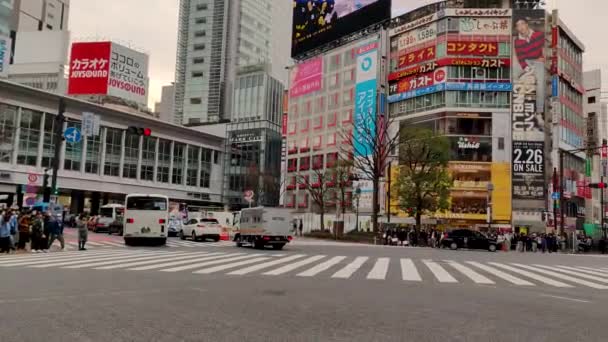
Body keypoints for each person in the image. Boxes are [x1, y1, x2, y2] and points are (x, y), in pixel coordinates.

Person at [514, 17, 545, 113]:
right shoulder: (517, 41)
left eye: (522, 24)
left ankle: (539, 109)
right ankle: (517, 101)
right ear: (517, 29)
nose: (521, 27)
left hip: (539, 61)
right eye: (518, 25)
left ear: (527, 24)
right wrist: (526, 68)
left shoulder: (539, 35)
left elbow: (547, 48)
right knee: (514, 75)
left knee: (540, 84)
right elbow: (520, 57)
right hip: (527, 61)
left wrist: (544, 58)